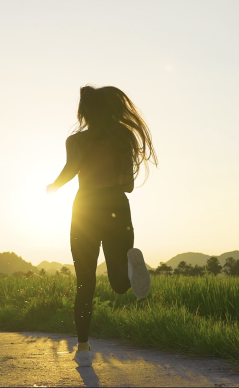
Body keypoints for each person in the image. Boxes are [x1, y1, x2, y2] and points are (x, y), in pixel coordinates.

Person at [46, 85, 158, 367]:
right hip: (117, 208)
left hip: (85, 209)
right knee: (120, 284)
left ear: (84, 112)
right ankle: (131, 268)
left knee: (85, 282)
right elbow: (129, 186)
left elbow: (70, 170)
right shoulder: (123, 137)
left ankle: (83, 349)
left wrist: (54, 186)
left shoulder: (76, 141)